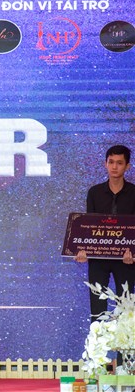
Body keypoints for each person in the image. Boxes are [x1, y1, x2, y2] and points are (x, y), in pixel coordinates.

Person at [75, 145, 135, 366]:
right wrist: (83, 250)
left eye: (119, 163)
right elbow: (89, 228)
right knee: (97, 311)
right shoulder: (94, 192)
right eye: (111, 162)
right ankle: (96, 364)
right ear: (105, 164)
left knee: (126, 311)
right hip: (99, 260)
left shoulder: (134, 193)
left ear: (127, 166)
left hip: (126, 261)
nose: (114, 167)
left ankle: (125, 366)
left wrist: (133, 253)